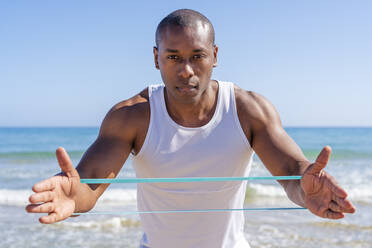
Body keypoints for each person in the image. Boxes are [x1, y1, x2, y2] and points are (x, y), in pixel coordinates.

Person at [26, 9, 355, 248]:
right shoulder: (132, 117)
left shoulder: (247, 110)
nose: (186, 70)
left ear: (215, 55)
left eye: (197, 56)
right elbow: (89, 187)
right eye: (173, 57)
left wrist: (306, 190)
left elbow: (291, 172)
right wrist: (74, 197)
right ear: (156, 58)